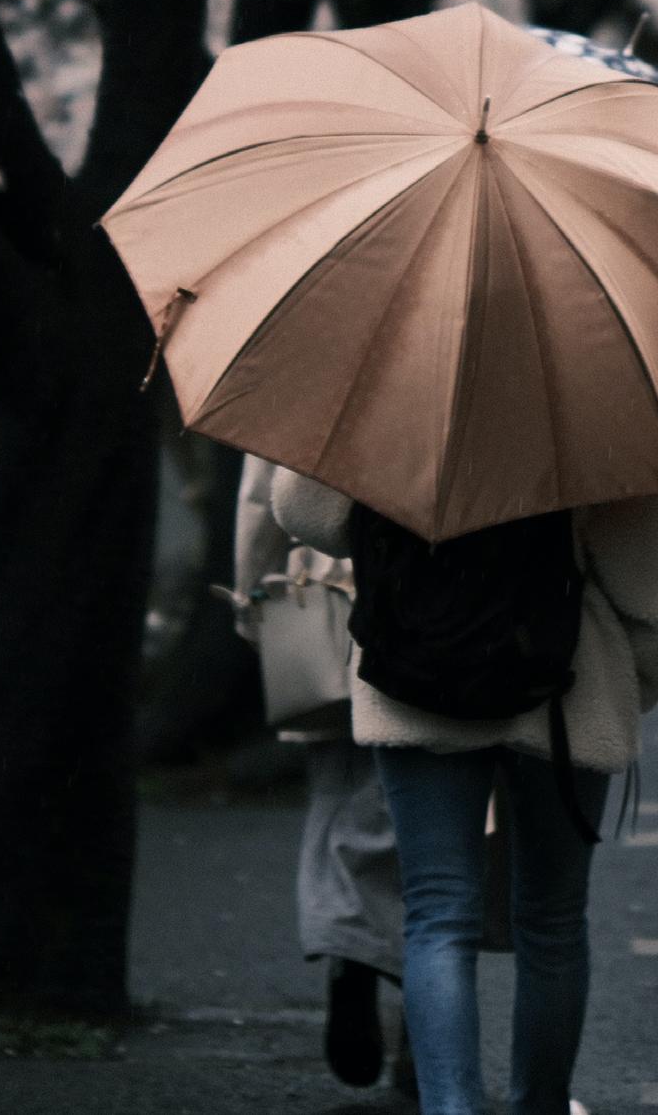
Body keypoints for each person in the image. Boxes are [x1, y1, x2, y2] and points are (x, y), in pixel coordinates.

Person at [273, 468, 658, 1115]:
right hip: (568, 683)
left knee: (436, 914)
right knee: (553, 919)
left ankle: (451, 1106)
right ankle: (540, 1104)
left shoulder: (392, 384)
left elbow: (306, 509)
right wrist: (638, 680)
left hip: (413, 666)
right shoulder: (604, 406)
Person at [231, 455, 406, 1089]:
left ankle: (346, 945)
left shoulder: (307, 358)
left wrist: (251, 591)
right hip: (435, 595)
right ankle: (426, 1025)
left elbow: (262, 494)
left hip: (327, 590)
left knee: (337, 786)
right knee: (435, 806)